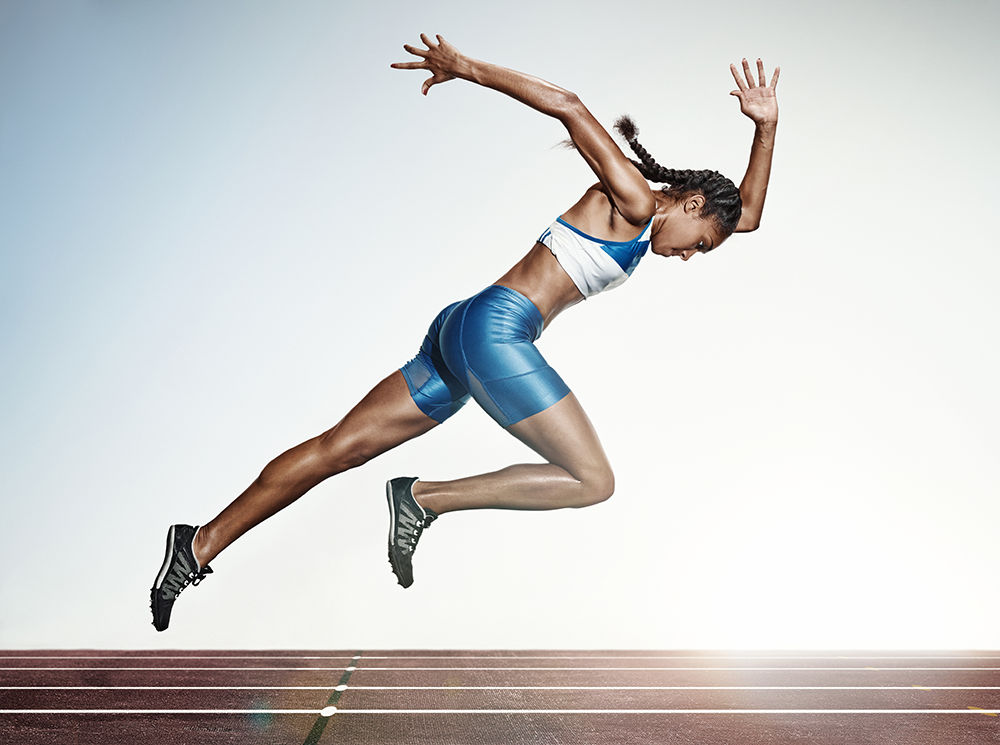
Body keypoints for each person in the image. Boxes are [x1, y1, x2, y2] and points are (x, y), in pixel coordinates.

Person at [150, 34, 779, 631]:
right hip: (497, 332)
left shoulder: (653, 220)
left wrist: (765, 127)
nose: (689, 258)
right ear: (692, 204)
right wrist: (466, 67)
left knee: (337, 448)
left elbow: (745, 215)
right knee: (593, 481)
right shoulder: (638, 204)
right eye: (698, 245)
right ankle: (426, 498)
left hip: (460, 329)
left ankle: (197, 545)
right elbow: (569, 106)